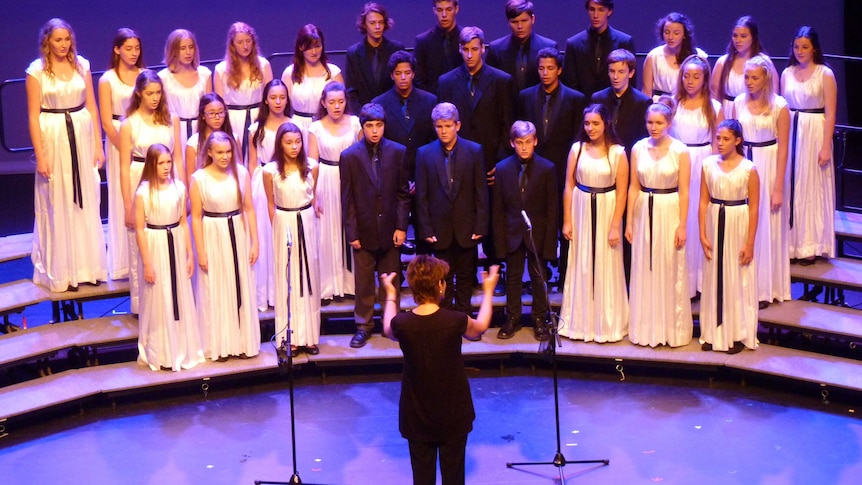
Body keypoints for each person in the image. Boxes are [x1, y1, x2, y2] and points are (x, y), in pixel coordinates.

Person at [380, 256, 499, 485]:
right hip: (453, 412)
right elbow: (480, 327)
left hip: (416, 413)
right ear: (440, 285)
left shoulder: (402, 324)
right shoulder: (455, 320)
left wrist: (391, 295)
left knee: (422, 477)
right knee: (454, 476)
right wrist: (488, 291)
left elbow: (387, 327)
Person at [27, 18, 107, 293]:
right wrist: (41, 156)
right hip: (54, 138)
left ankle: (88, 267)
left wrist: (99, 144)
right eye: (57, 40)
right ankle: (63, 270)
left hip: (81, 135)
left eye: (67, 40)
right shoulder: (37, 72)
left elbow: (93, 108)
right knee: (58, 201)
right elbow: (32, 116)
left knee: (85, 199)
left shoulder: (81, 65)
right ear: (47, 41)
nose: (63, 45)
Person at [341, 103, 411, 348]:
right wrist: (352, 232)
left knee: (390, 280)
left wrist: (402, 227)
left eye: (378, 125)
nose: (374, 131)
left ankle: (392, 324)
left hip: (391, 230)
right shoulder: (349, 156)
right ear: (362, 128)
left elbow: (403, 193)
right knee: (363, 284)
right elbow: (347, 199)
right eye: (369, 126)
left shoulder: (397, 152)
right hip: (363, 230)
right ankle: (363, 325)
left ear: (384, 126)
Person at [517, 47, 587, 288]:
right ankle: (540, 273)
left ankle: (566, 275)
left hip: (562, 171)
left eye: (550, 68)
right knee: (537, 223)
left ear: (559, 70)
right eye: (541, 68)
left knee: (565, 223)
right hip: (534, 173)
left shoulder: (575, 99)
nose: (545, 73)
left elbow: (578, 138)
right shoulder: (526, 96)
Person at [626, 99, 692, 347]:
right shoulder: (638, 148)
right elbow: (634, 186)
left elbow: (684, 192)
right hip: (644, 208)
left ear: (669, 123)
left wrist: (682, 225)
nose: (653, 127)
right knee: (645, 266)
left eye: (658, 123)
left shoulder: (680, 151)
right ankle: (645, 329)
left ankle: (670, 329)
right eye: (649, 122)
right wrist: (630, 222)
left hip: (669, 208)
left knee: (668, 265)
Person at [559, 104, 628, 343]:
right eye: (587, 123)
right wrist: (567, 219)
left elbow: (622, 192)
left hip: (606, 207)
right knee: (582, 262)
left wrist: (615, 225)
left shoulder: (618, 152)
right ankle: (580, 323)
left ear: (606, 123)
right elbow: (569, 185)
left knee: (606, 263)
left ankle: (606, 324)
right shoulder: (577, 149)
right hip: (581, 208)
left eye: (595, 123)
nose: (590, 128)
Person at [190, 131, 260, 361]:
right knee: (217, 289)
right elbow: (197, 217)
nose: (225, 157)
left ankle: (242, 342)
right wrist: (200, 250)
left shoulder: (241, 173)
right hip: (213, 233)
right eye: (219, 152)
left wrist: (254, 242)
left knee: (239, 285)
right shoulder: (199, 178)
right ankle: (219, 344)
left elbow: (249, 208)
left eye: (228, 151)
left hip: (238, 232)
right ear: (209, 152)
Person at [134, 143, 204, 371]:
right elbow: (139, 230)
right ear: (151, 165)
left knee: (179, 295)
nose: (166, 167)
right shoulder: (144, 192)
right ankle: (161, 351)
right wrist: (147, 263)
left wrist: (190, 255)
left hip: (175, 241)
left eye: (168, 162)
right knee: (159, 298)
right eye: (160, 163)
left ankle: (181, 348)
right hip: (155, 245)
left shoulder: (179, 188)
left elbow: (183, 221)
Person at [415, 103, 488, 313]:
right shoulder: (424, 154)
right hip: (439, 229)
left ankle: (464, 319)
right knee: (441, 277)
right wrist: (426, 229)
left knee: (466, 276)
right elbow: (422, 196)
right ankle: (444, 319)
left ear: (458, 125)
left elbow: (480, 191)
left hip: (467, 227)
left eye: (448, 126)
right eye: (439, 126)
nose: (444, 131)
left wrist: (480, 225)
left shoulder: (474, 151)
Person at [119, 70, 182, 314]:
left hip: (167, 181)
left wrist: (182, 191)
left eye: (158, 93)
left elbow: (177, 158)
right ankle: (143, 305)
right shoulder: (129, 124)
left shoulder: (170, 120)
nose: (155, 98)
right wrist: (127, 205)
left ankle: (169, 299)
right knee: (141, 242)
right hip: (140, 179)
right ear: (139, 93)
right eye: (149, 93)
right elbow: (124, 168)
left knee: (167, 238)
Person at [732, 55, 790, 308]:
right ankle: (741, 284)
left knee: (766, 225)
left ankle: (764, 288)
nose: (749, 82)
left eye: (755, 77)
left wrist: (778, 187)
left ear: (766, 78)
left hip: (768, 166)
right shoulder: (737, 103)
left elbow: (784, 148)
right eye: (746, 77)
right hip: (744, 165)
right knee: (744, 224)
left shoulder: (779, 106)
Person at [698, 120, 760, 354]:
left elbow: (754, 207)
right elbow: (703, 201)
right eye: (718, 138)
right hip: (715, 220)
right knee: (713, 277)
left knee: (736, 277)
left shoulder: (748, 169)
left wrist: (750, 242)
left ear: (737, 141)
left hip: (737, 222)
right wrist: (702, 233)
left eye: (726, 139)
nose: (720, 143)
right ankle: (713, 332)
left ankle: (735, 333)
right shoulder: (707, 165)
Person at [492, 121, 557, 341]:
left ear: (535, 141)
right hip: (512, 233)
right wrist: (499, 243)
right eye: (519, 143)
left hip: (537, 233)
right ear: (512, 143)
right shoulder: (502, 169)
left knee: (539, 277)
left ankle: (539, 319)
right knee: (513, 277)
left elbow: (551, 209)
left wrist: (550, 244)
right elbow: (498, 209)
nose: (524, 147)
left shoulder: (547, 168)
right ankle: (513, 318)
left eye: (528, 142)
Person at [263, 123, 321, 357]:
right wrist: (276, 227)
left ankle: (309, 336)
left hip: (306, 220)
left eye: (298, 141)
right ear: (280, 144)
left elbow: (313, 196)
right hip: (284, 221)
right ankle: (290, 337)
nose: (294, 146)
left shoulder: (311, 166)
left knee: (308, 277)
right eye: (288, 142)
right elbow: (269, 202)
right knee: (287, 277)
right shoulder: (270, 171)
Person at [782, 26, 837, 263]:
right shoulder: (787, 73)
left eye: (805, 47)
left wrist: (826, 145)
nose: (800, 51)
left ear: (814, 48)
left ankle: (811, 245)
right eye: (796, 47)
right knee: (792, 185)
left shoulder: (825, 74)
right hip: (792, 129)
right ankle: (792, 244)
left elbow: (831, 113)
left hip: (814, 132)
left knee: (812, 186)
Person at [671, 55, 722, 298]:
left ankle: (700, 283)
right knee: (680, 220)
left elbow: (717, 144)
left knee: (699, 220)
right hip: (678, 164)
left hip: (702, 163)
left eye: (696, 77)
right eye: (686, 76)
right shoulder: (673, 104)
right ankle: (679, 281)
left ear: (705, 79)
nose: (690, 81)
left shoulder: (715, 108)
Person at [307, 82, 361, 302]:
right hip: (326, 181)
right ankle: (329, 285)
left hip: (351, 179)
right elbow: (311, 163)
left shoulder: (356, 123)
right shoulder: (316, 128)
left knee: (350, 228)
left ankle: (351, 283)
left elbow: (362, 155)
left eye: (341, 101)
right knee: (327, 233)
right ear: (323, 103)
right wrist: (313, 195)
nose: (337, 106)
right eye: (332, 102)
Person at [438, 26, 515, 179]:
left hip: (490, 161)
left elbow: (507, 123)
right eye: (465, 49)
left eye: (474, 49)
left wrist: (501, 162)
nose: (469, 54)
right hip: (456, 161)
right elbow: (442, 123)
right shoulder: (446, 82)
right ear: (460, 49)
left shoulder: (501, 81)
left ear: (483, 49)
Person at [99, 28, 142, 282]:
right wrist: (125, 148)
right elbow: (106, 121)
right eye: (128, 48)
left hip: (141, 138)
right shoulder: (108, 80)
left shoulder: (144, 76)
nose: (133, 53)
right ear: (117, 50)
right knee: (121, 194)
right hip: (118, 141)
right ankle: (123, 262)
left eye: (137, 48)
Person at [248, 80, 291, 311]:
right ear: (266, 99)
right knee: (265, 237)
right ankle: (265, 293)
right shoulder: (256, 129)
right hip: (262, 183)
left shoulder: (293, 125)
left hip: (287, 182)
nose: (277, 102)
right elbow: (252, 163)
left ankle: (284, 291)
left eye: (282, 97)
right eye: (273, 97)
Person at [371, 50, 438, 181]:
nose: (403, 77)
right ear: (391, 75)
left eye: (407, 73)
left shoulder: (430, 101)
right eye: (398, 73)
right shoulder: (379, 103)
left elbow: (434, 140)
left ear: (413, 74)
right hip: (391, 174)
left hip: (424, 173)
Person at [214, 22, 273, 164]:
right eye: (240, 42)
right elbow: (219, 104)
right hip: (233, 119)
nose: (245, 46)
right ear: (232, 44)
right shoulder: (222, 70)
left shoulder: (263, 65)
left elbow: (270, 94)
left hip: (259, 116)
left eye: (248, 41)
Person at [282, 24, 344, 143]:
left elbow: (343, 106)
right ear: (301, 47)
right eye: (309, 47)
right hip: (298, 129)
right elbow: (284, 109)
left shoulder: (333, 73)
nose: (314, 51)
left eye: (318, 46)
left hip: (327, 126)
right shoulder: (290, 73)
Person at [157, 29, 212, 165]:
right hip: (175, 131)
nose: (188, 52)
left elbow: (210, 107)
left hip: (199, 129)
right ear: (173, 50)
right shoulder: (164, 78)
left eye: (191, 47)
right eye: (183, 48)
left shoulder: (204, 75)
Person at [562, 0, 635, 98]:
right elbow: (570, 84)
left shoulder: (624, 41)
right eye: (592, 9)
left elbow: (631, 83)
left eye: (601, 10)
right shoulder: (574, 44)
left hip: (615, 107)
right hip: (582, 108)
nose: (595, 15)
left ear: (609, 11)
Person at [711, 16, 780, 119]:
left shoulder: (764, 62)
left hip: (754, 113)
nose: (738, 40)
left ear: (753, 37)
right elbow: (714, 93)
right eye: (735, 36)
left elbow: (773, 92)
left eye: (743, 36)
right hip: (726, 113)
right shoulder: (723, 62)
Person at [485, 0, 558, 94]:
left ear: (533, 19)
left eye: (524, 21)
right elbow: (489, 85)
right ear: (508, 22)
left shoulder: (548, 46)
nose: (520, 26)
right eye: (514, 22)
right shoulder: (496, 49)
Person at [344, 2, 405, 114]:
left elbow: (403, 86)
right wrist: (362, 116)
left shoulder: (396, 49)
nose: (377, 27)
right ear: (364, 25)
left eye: (380, 22)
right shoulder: (353, 53)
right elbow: (351, 92)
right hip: (364, 117)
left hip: (393, 114)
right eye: (372, 23)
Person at [590, 49, 651, 158]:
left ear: (631, 73)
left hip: (629, 159)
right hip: (601, 158)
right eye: (612, 71)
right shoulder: (598, 98)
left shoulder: (643, 102)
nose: (615, 77)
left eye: (621, 72)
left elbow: (643, 140)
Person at [642, 12, 707, 100]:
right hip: (660, 105)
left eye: (676, 33)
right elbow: (646, 92)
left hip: (687, 104)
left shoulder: (698, 56)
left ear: (684, 35)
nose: (670, 37)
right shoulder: (654, 56)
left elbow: (705, 89)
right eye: (667, 32)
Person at [413, 0, 463, 95]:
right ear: (434, 10)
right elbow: (419, 80)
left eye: (448, 9)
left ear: (456, 9)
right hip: (433, 103)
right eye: (440, 10)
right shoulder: (423, 41)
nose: (444, 15)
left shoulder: (467, 40)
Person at [184, 92, 235, 181]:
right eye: (211, 113)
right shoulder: (193, 143)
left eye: (221, 112)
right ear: (203, 115)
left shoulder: (233, 138)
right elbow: (190, 177)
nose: (217, 117)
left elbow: (238, 169)